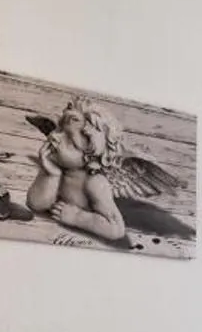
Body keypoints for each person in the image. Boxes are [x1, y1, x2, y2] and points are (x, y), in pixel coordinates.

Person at [27, 97, 129, 243]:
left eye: (69, 141)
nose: (54, 136)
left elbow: (117, 229)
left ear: (91, 156)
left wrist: (78, 217)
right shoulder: (57, 165)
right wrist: (51, 174)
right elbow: (35, 203)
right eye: (59, 130)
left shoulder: (94, 183)